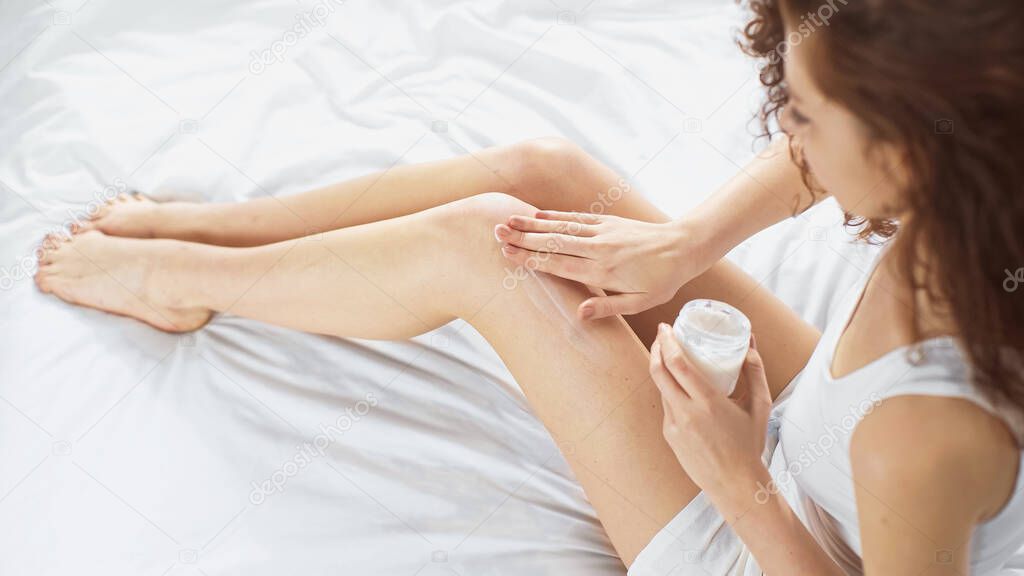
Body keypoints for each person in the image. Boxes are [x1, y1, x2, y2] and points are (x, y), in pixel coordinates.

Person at [33, 0, 1024, 573]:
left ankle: (178, 278)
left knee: (485, 247)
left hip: (778, 544)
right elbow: (815, 168)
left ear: (905, 152)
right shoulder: (978, 185)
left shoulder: (923, 435)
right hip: (821, 442)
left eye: (802, 115)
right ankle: (208, 224)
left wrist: (737, 477)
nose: (784, 137)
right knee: (546, 174)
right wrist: (680, 244)